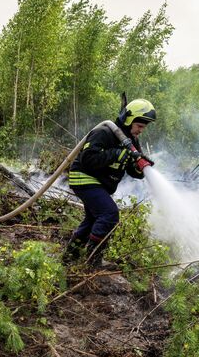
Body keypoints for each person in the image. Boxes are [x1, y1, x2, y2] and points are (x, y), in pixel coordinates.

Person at [63, 99, 156, 268]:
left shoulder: (132, 141)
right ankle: (93, 261)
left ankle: (69, 257)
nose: (141, 131)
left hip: (99, 184)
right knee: (109, 214)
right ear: (129, 119)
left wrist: (139, 167)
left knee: (92, 219)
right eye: (140, 126)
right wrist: (116, 154)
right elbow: (87, 159)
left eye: (144, 127)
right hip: (84, 177)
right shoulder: (104, 132)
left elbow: (132, 171)